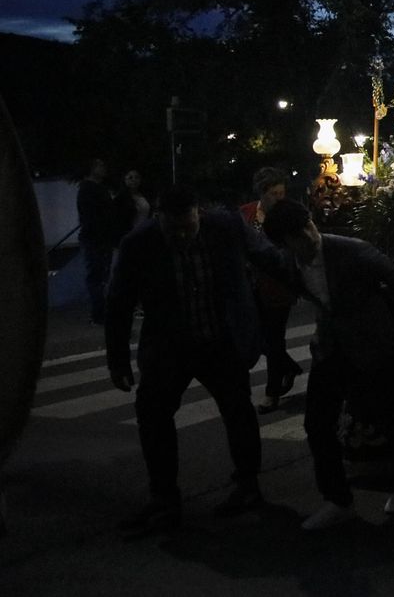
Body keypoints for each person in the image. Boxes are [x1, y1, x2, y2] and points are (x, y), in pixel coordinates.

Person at [104, 186, 276, 537]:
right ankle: (164, 497)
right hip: (170, 345)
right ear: (158, 218)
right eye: (173, 229)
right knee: (153, 418)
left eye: (188, 227)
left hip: (220, 340)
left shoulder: (225, 226)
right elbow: (118, 302)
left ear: (199, 212)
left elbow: (266, 256)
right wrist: (117, 359)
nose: (182, 236)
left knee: (238, 412)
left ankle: (248, 485)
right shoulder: (139, 244)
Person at [260, 200, 394, 532]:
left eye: (309, 226)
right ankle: (337, 500)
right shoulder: (289, 263)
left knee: (392, 415)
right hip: (332, 348)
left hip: (373, 346)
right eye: (297, 234)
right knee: (317, 423)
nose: (309, 236)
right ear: (285, 242)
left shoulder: (352, 252)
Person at [238, 167, 301, 414]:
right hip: (250, 284)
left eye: (281, 193)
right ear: (263, 194)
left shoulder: (286, 215)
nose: (279, 198)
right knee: (257, 336)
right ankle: (289, 365)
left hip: (277, 285)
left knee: (274, 339)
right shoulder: (246, 213)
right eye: (274, 193)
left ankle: (272, 392)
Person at [77, 158, 119, 325]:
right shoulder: (88, 188)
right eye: (100, 165)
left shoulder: (98, 188)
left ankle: (101, 311)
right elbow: (91, 216)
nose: (104, 168)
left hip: (100, 238)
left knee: (101, 276)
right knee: (97, 276)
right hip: (95, 239)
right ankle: (99, 313)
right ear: (92, 168)